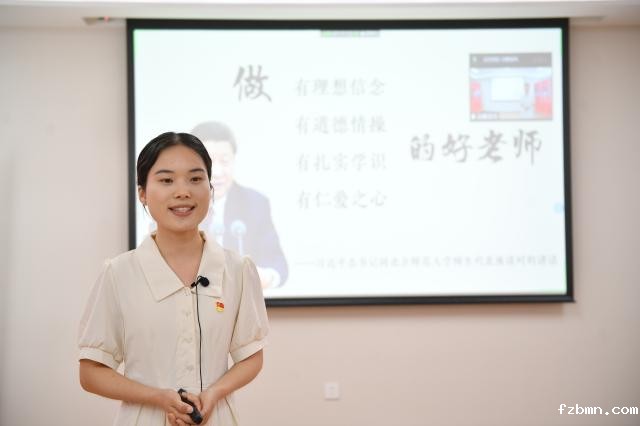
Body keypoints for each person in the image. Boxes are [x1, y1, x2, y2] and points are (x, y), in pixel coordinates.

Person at [78, 132, 268, 425]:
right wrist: (157, 397)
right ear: (142, 192)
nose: (183, 191)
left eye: (195, 179)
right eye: (166, 180)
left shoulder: (238, 269)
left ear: (210, 188)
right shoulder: (118, 273)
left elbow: (251, 356)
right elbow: (91, 372)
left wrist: (215, 393)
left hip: (215, 418)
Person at [191, 121, 288, 289]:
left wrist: (267, 277)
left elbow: (276, 263)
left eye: (225, 161)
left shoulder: (255, 204)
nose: (218, 172)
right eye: (209, 162)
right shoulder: (174, 204)